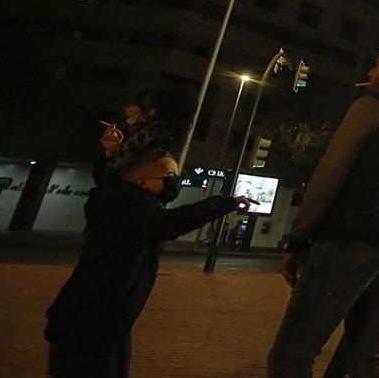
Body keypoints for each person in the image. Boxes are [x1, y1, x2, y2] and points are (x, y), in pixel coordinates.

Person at [267, 47, 379, 377]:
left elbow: (330, 174)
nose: (371, 72)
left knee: (290, 358)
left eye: (377, 66)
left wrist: (297, 240)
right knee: (366, 358)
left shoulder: (371, 106)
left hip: (348, 242)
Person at [45, 149, 255, 377]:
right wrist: (226, 203)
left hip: (109, 324)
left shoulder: (133, 204)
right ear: (142, 182)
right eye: (168, 175)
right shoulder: (125, 208)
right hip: (86, 325)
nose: (175, 181)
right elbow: (173, 223)